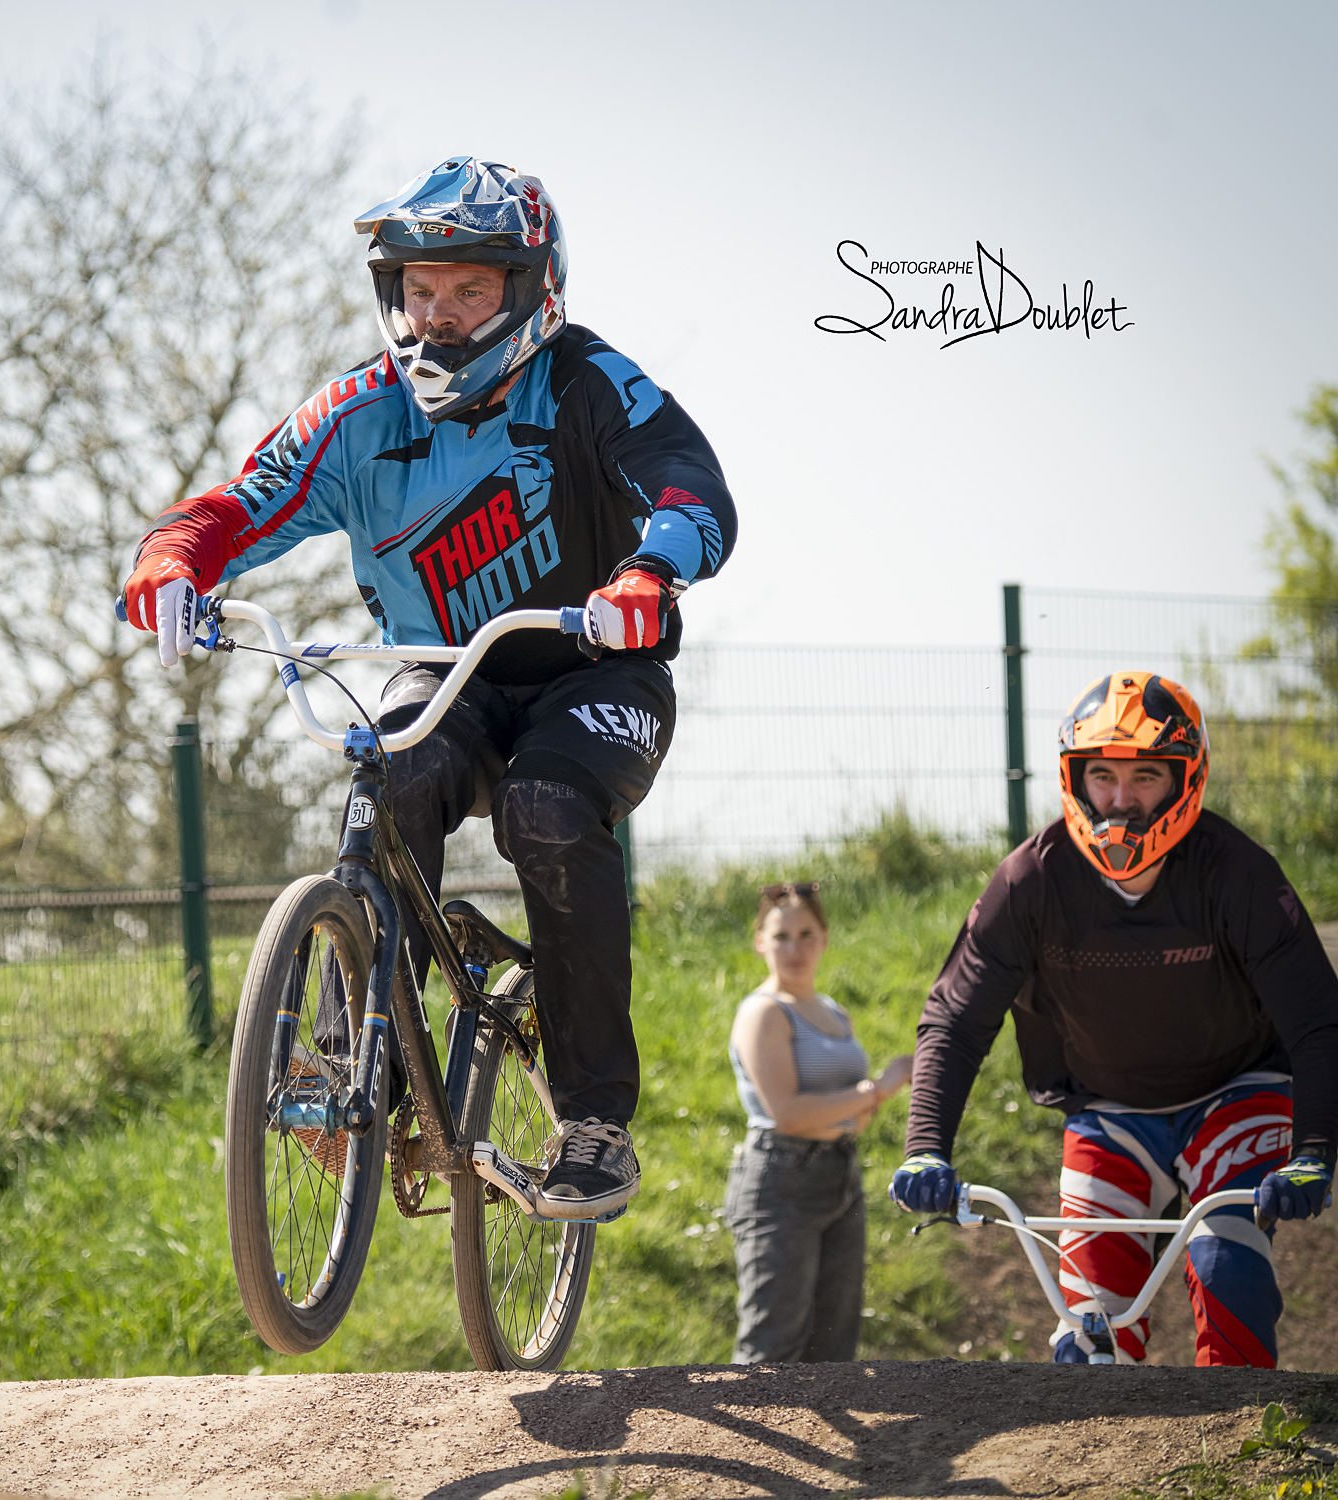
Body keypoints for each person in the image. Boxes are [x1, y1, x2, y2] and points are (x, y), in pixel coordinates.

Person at [122, 157, 737, 1219]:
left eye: (468, 291)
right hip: (440, 673)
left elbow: (693, 488)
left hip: (594, 671)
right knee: (390, 777)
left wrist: (649, 571)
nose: (438, 317)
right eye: (417, 290)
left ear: (531, 286)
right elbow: (235, 506)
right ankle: (349, 1074)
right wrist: (171, 561)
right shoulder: (357, 413)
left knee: (546, 809)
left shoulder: (589, 382)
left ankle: (592, 1119)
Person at [892, 671, 1338, 1366]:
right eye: (1102, 776)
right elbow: (954, 1017)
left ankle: (1246, 1458)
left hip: (1238, 1089)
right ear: (1074, 778)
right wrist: (926, 1145)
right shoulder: (1030, 882)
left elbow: (1317, 1021)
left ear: (1186, 780)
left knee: (1228, 1268)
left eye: (1147, 778)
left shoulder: (1239, 874)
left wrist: (1313, 1153)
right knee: (1090, 1328)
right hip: (1107, 1108)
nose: (1121, 802)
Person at [727, 881, 912, 1363]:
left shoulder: (835, 1013)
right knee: (772, 1349)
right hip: (779, 1184)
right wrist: (878, 1089)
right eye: (782, 935)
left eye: (806, 934)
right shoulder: (763, 1012)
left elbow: (851, 1116)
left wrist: (858, 1108)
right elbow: (786, 1113)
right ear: (760, 942)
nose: (794, 948)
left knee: (835, 1349)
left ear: (824, 939)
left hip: (840, 1177)